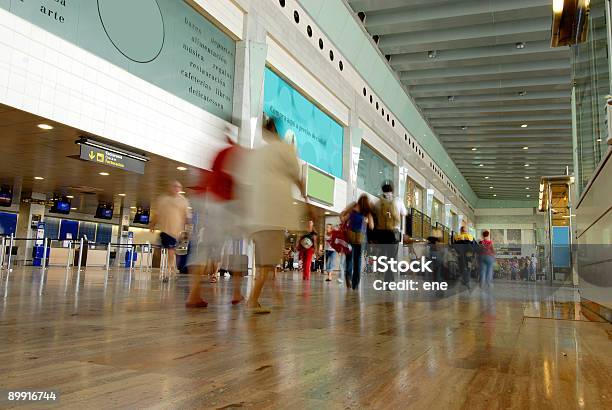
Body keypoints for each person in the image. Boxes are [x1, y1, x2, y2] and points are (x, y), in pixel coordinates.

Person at [246, 115, 312, 313]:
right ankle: (252, 301)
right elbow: (298, 179)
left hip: (256, 217)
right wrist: (308, 204)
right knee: (268, 266)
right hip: (272, 216)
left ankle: (260, 300)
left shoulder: (259, 154)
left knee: (263, 265)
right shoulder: (285, 150)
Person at [185, 135, 248, 307]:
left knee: (202, 248)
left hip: (210, 201)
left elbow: (210, 175)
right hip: (227, 205)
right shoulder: (239, 154)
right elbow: (241, 185)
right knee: (237, 250)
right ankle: (236, 293)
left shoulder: (222, 153)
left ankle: (194, 295)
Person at [150, 181, 191, 280]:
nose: (176, 188)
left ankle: (169, 270)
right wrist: (152, 224)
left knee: (171, 250)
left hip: (175, 231)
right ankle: (172, 268)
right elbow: (157, 214)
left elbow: (187, 216)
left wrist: (188, 229)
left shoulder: (183, 201)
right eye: (174, 186)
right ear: (170, 187)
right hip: (163, 230)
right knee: (158, 249)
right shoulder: (163, 199)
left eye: (178, 187)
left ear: (180, 189)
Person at [372, 180, 406, 284]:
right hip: (393, 232)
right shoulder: (398, 200)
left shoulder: (378, 202)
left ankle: (383, 271)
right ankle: (389, 278)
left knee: (384, 254)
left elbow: (375, 217)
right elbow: (404, 213)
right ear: (392, 189)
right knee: (392, 256)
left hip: (382, 233)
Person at [340, 194, 373, 290]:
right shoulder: (367, 212)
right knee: (357, 261)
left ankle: (348, 277)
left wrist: (344, 212)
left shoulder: (352, 210)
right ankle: (355, 284)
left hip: (349, 238)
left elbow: (342, 219)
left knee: (349, 258)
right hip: (361, 239)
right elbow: (371, 226)